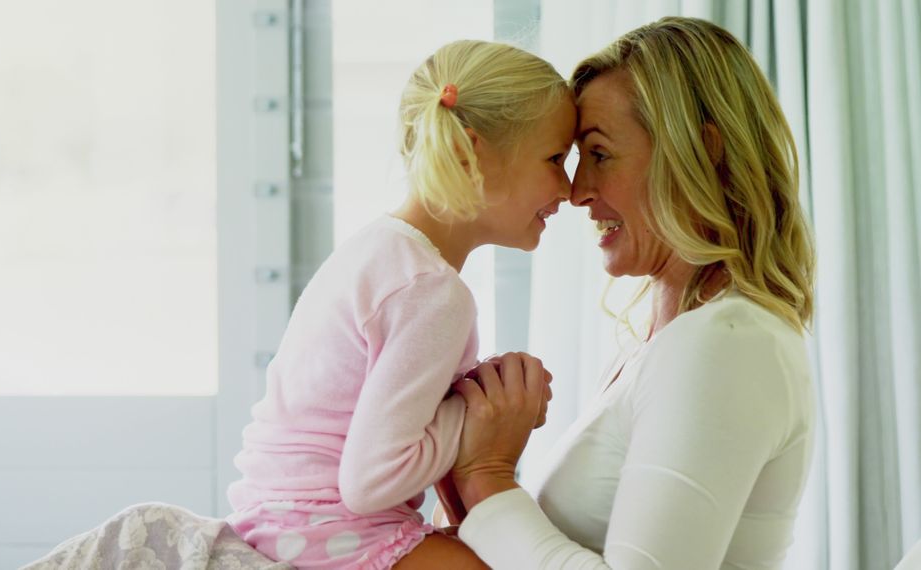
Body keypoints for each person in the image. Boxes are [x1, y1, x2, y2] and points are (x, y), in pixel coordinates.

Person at [442, 17, 818, 569]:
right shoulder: (667, 343)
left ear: (701, 153)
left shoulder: (727, 344)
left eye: (598, 154)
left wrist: (487, 479)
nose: (576, 192)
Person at [226, 39, 576, 569]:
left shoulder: (385, 251)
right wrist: (483, 415)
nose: (570, 189)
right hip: (326, 527)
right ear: (470, 153)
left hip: (279, 515)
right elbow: (372, 482)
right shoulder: (430, 289)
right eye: (555, 159)